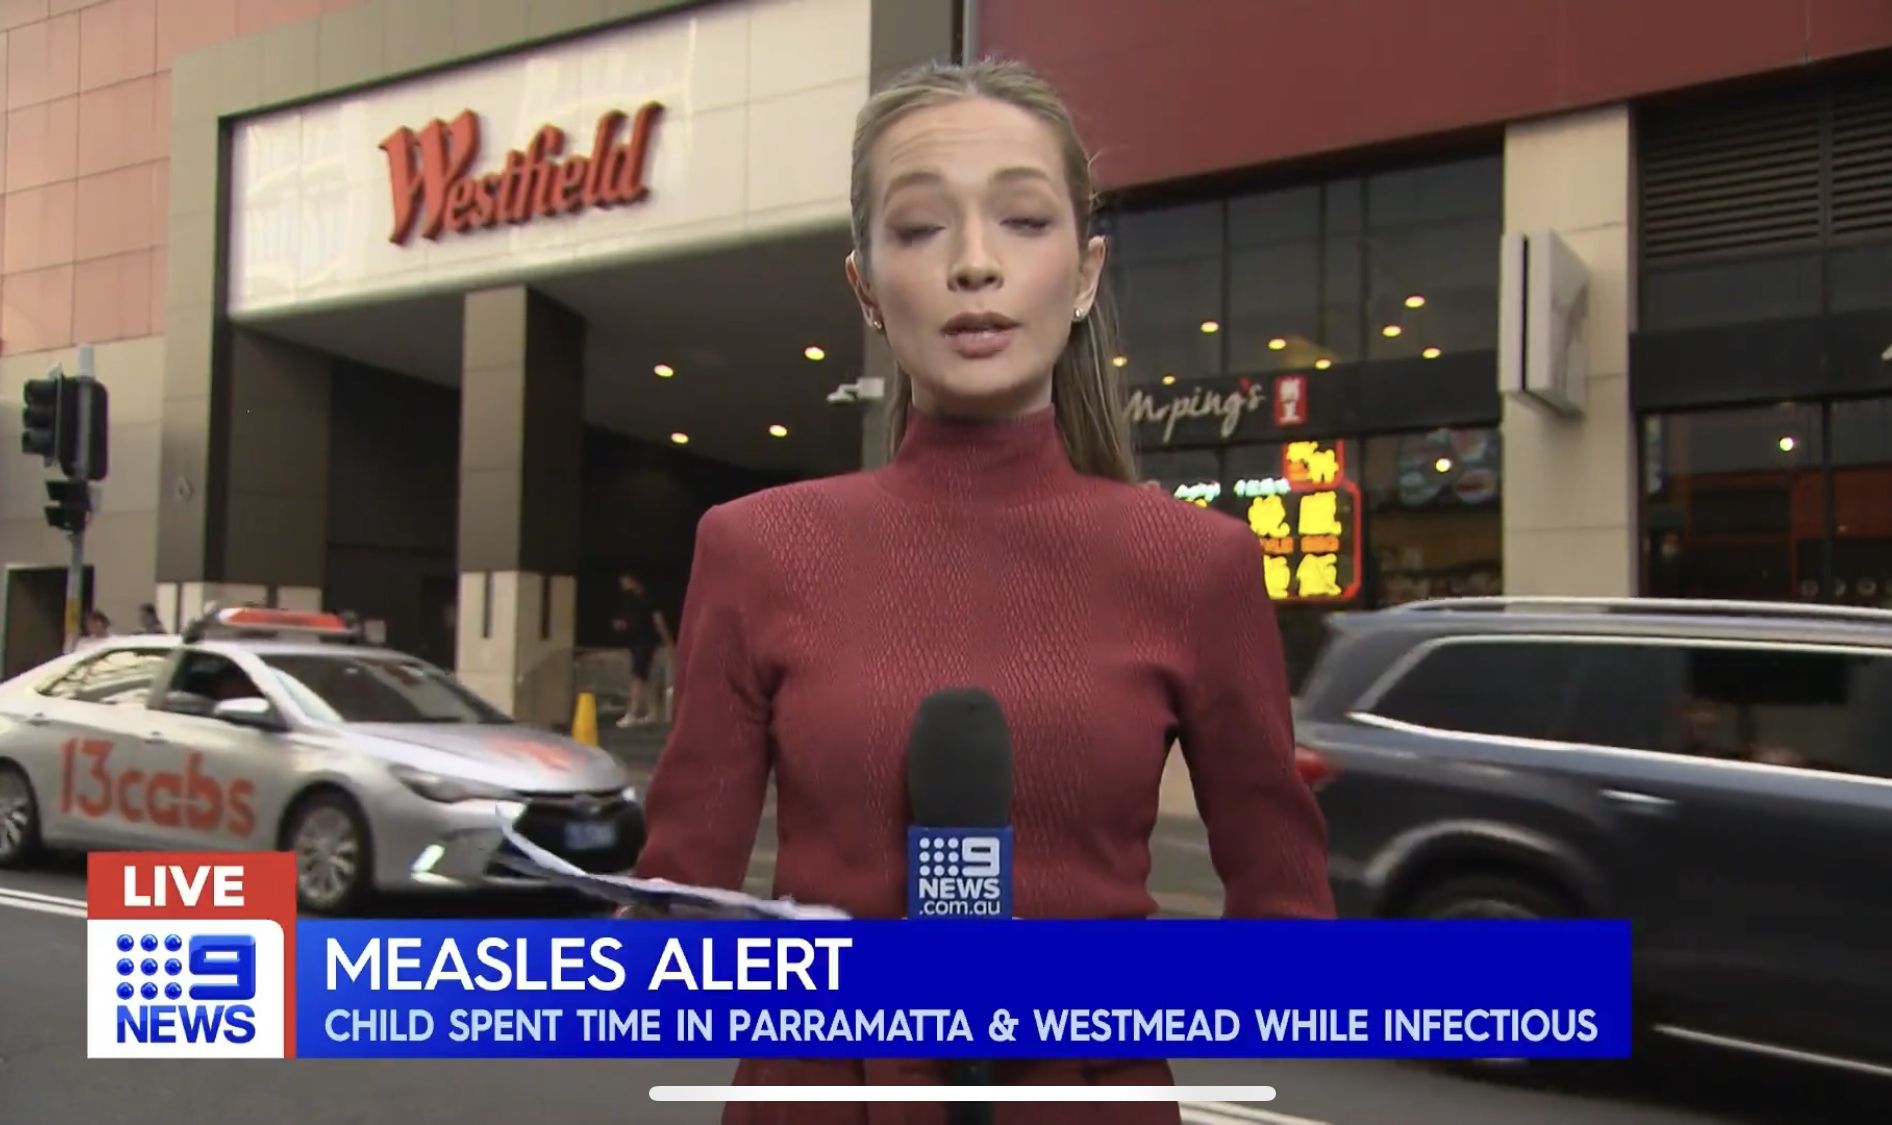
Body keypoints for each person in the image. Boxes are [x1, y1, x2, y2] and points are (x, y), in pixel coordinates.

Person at [631, 57, 1333, 1124]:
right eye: (920, 228)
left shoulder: (1199, 564)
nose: (973, 264)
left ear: (1085, 274)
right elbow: (672, 940)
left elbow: (1290, 947)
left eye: (1023, 221)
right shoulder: (755, 548)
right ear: (866, 288)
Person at [611, 573, 673, 727]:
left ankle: (633, 713)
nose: (623, 583)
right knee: (645, 677)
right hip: (635, 642)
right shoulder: (630, 601)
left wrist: (669, 643)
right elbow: (632, 621)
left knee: (638, 677)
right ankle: (652, 712)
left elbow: (659, 622)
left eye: (625, 579)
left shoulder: (648, 599)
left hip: (645, 642)